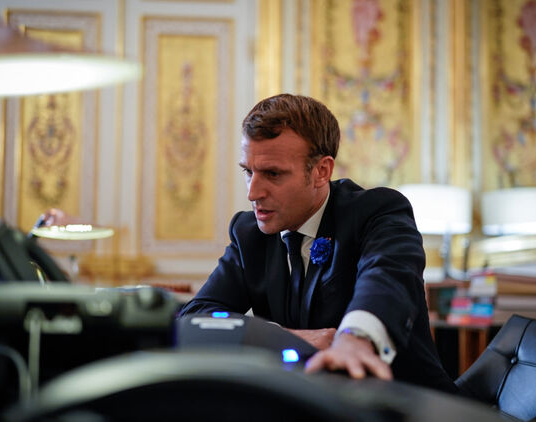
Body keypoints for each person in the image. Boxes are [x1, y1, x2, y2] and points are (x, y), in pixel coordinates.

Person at [180, 93, 459, 393]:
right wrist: (284, 337)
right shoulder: (249, 233)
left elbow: (387, 278)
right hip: (306, 402)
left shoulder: (377, 211)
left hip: (405, 402)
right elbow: (197, 316)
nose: (253, 193)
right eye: (249, 172)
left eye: (273, 174)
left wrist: (355, 339)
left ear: (321, 172)